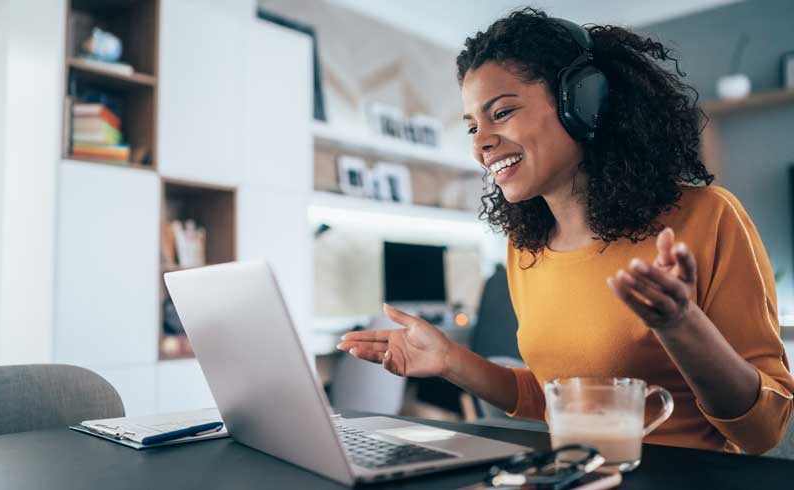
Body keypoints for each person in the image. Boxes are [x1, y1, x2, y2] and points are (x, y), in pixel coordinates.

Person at [337, 7, 794, 454]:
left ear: (583, 103)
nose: (480, 143)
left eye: (502, 113)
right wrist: (451, 361)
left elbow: (764, 430)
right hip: (574, 474)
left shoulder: (707, 217)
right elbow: (549, 400)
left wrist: (682, 327)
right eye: (472, 125)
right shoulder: (526, 247)